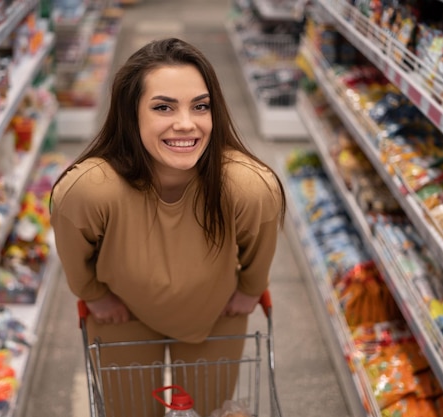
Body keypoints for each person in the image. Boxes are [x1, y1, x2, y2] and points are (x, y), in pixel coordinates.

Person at [50, 37, 285, 417]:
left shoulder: (248, 187)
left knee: (210, 411)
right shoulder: (89, 191)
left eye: (200, 106)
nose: (186, 124)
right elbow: (76, 254)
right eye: (163, 107)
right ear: (132, 114)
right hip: (121, 312)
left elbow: (259, 247)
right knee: (129, 410)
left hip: (215, 314)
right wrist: (93, 296)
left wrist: (250, 289)